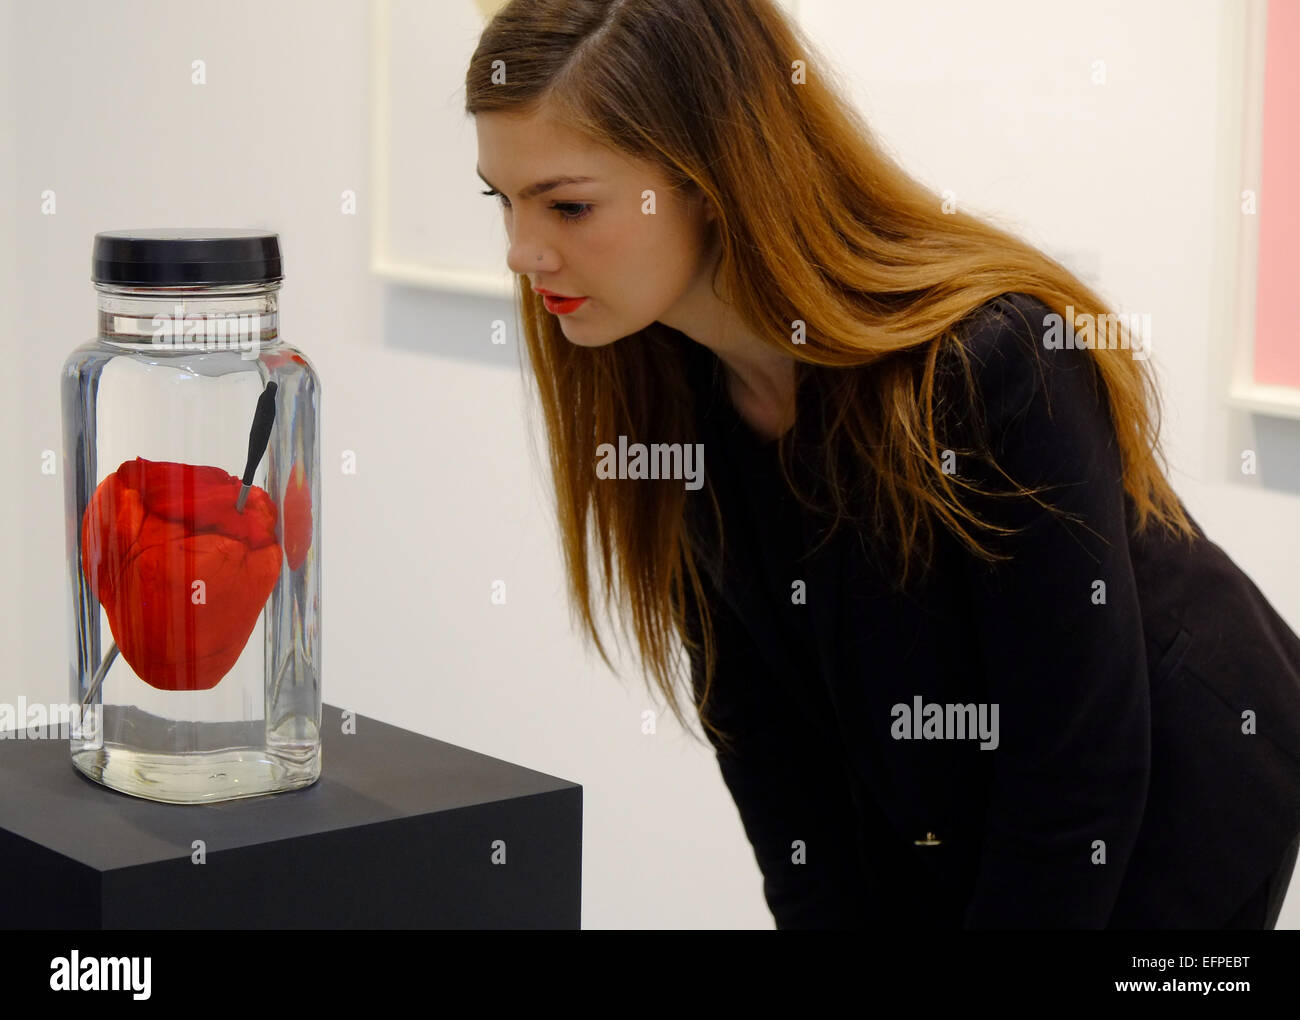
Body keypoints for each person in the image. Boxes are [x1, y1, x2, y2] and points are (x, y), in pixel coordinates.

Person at [465, 0, 1300, 928]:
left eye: (569, 204)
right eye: (501, 199)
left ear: (711, 174)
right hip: (963, 805)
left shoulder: (996, 361)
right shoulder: (672, 405)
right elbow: (781, 774)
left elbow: (1076, 776)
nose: (521, 251)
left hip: (1178, 803)